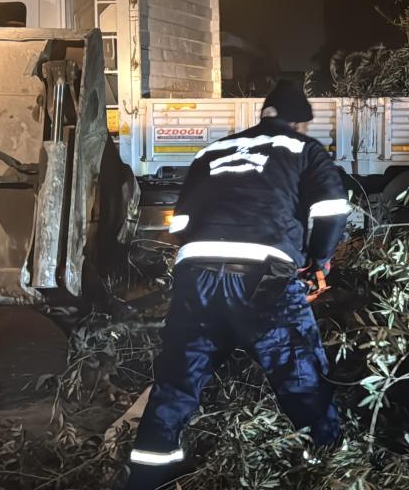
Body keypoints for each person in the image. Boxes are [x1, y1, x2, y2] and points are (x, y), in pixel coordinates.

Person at [123, 80, 349, 489]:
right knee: (302, 378)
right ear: (299, 123)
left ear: (264, 114)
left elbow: (181, 225)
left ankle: (147, 476)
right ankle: (332, 468)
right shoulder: (304, 150)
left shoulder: (213, 151)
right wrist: (320, 260)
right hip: (265, 281)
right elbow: (331, 210)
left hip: (196, 280)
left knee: (177, 384)